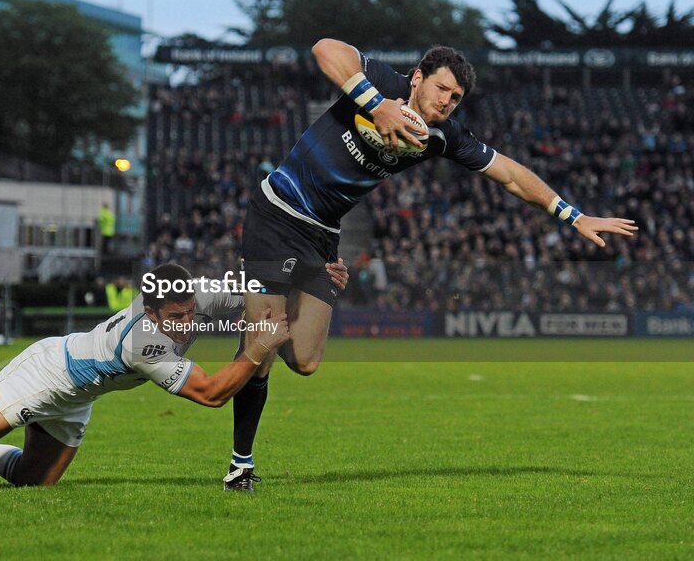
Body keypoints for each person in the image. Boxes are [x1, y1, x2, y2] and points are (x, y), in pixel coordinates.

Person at [225, 40, 639, 491]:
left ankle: (261, 343)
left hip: (323, 235)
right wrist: (375, 104)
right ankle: (240, 465)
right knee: (263, 343)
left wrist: (573, 215)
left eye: (456, 97)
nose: (447, 101)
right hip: (276, 211)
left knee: (304, 362)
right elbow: (325, 49)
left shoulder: (443, 137)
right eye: (443, 88)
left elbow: (511, 175)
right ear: (419, 76)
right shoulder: (382, 82)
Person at [0, 262, 348, 486]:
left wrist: (317, 283)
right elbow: (210, 395)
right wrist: (253, 354)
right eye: (175, 319)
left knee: (34, 481)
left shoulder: (191, 297)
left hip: (79, 395)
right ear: (150, 314)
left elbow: (262, 287)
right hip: (48, 373)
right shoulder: (146, 341)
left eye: (189, 314)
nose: (185, 324)